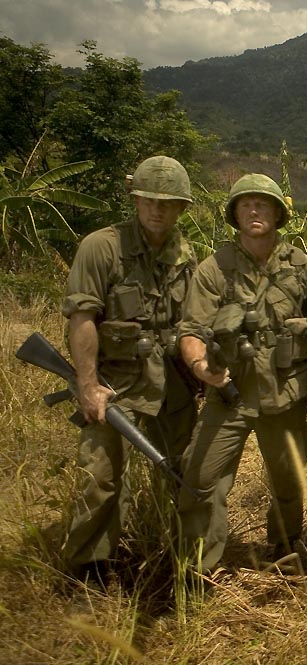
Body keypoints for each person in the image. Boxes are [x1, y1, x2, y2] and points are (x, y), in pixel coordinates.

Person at [61, 155, 198, 584]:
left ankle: (176, 561)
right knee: (100, 480)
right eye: (148, 200)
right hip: (112, 383)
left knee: (180, 473)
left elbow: (194, 324)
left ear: (181, 208)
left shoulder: (188, 256)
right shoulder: (101, 247)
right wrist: (87, 385)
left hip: (170, 385)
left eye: (167, 202)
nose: (157, 209)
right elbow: (82, 318)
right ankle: (87, 568)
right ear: (135, 200)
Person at [177, 173, 307, 573]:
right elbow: (191, 329)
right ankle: (198, 567)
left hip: (284, 393)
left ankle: (286, 549)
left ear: (277, 213)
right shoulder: (214, 268)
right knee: (203, 478)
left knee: (290, 482)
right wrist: (201, 368)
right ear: (235, 214)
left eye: (262, 204)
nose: (254, 211)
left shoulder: (303, 267)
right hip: (229, 391)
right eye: (246, 205)